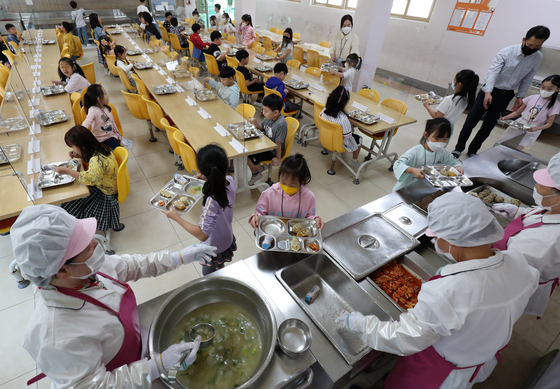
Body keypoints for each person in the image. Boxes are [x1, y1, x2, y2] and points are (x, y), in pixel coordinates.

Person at [336, 192, 539, 389]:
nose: (435, 241)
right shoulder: (518, 261)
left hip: (442, 372)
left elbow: (404, 337)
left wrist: (361, 324)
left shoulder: (449, 292)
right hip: (479, 355)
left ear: (450, 240)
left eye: (436, 235)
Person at [12, 204, 216, 388]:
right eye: (86, 247)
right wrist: (157, 366)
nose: (95, 244)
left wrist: (178, 257)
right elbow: (98, 385)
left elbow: (132, 266)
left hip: (137, 353)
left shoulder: (88, 269)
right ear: (62, 271)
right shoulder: (56, 335)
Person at [452, 25, 550, 158]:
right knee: (471, 121)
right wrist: (488, 92)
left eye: (536, 46)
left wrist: (520, 96)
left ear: (542, 44)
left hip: (506, 95)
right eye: (530, 44)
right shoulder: (507, 52)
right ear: (524, 39)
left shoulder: (537, 57)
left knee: (488, 126)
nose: (532, 48)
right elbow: (493, 72)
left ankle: (473, 150)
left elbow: (528, 78)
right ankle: (458, 148)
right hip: (489, 91)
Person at [492, 152, 560, 317]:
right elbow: (544, 215)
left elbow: (506, 274)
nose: (536, 185)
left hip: (511, 283)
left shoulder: (545, 242)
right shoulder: (553, 207)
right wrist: (518, 212)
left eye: (543, 183)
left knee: (499, 310)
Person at [163, 144, 236, 276]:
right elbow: (217, 185)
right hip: (226, 236)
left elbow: (203, 234)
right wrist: (205, 178)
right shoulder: (230, 181)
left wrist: (176, 218)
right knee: (219, 265)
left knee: (208, 274)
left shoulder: (211, 201)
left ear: (202, 172)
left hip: (214, 245)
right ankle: (221, 269)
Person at [53, 126, 121, 233]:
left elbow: (90, 179)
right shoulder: (102, 147)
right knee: (73, 201)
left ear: (82, 146)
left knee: (74, 204)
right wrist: (79, 155)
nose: (73, 150)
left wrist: (67, 171)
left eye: (73, 147)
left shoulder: (96, 160)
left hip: (106, 194)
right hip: (106, 185)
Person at [249, 153, 324, 229]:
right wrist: (255, 217)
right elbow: (259, 214)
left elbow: (310, 218)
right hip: (273, 231)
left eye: (292, 185)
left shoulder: (309, 197)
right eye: (283, 182)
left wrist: (315, 220)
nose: (287, 188)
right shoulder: (268, 194)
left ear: (303, 181)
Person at [393, 118, 464, 192]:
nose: (440, 143)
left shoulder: (443, 152)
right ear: (426, 135)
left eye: (445, 139)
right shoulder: (415, 152)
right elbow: (398, 164)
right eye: (437, 138)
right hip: (407, 189)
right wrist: (412, 170)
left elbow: (454, 161)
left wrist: (458, 167)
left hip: (426, 189)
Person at [500, 74, 560, 150]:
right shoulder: (532, 97)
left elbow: (549, 123)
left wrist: (538, 128)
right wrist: (505, 117)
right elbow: (517, 112)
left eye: (549, 89)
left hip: (533, 128)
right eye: (543, 87)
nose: (544, 90)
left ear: (558, 89)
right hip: (519, 124)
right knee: (504, 144)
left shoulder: (555, 105)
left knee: (517, 148)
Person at [424, 69, 479, 141]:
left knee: (428, 147)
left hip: (438, 129)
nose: (453, 82)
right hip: (449, 128)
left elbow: (437, 117)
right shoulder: (467, 100)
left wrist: (427, 106)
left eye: (455, 80)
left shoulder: (449, 100)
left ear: (459, 84)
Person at [247, 94, 287, 185]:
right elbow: (262, 127)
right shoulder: (269, 117)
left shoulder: (281, 124)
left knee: (248, 158)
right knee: (246, 153)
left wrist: (278, 158)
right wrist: (257, 124)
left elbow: (278, 143)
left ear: (276, 112)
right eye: (263, 109)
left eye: (266, 110)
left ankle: (261, 169)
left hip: (273, 150)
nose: (263, 112)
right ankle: (255, 173)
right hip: (265, 144)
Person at [320, 86, 362, 168]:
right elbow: (347, 136)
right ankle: (354, 161)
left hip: (326, 137)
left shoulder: (324, 110)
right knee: (359, 138)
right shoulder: (343, 118)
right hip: (338, 142)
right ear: (344, 102)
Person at [82, 84, 123, 149]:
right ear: (99, 99)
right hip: (98, 139)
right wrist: (80, 136)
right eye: (105, 94)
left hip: (110, 136)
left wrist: (120, 136)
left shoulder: (107, 108)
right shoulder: (93, 110)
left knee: (117, 151)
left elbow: (112, 123)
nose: (108, 96)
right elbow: (85, 124)